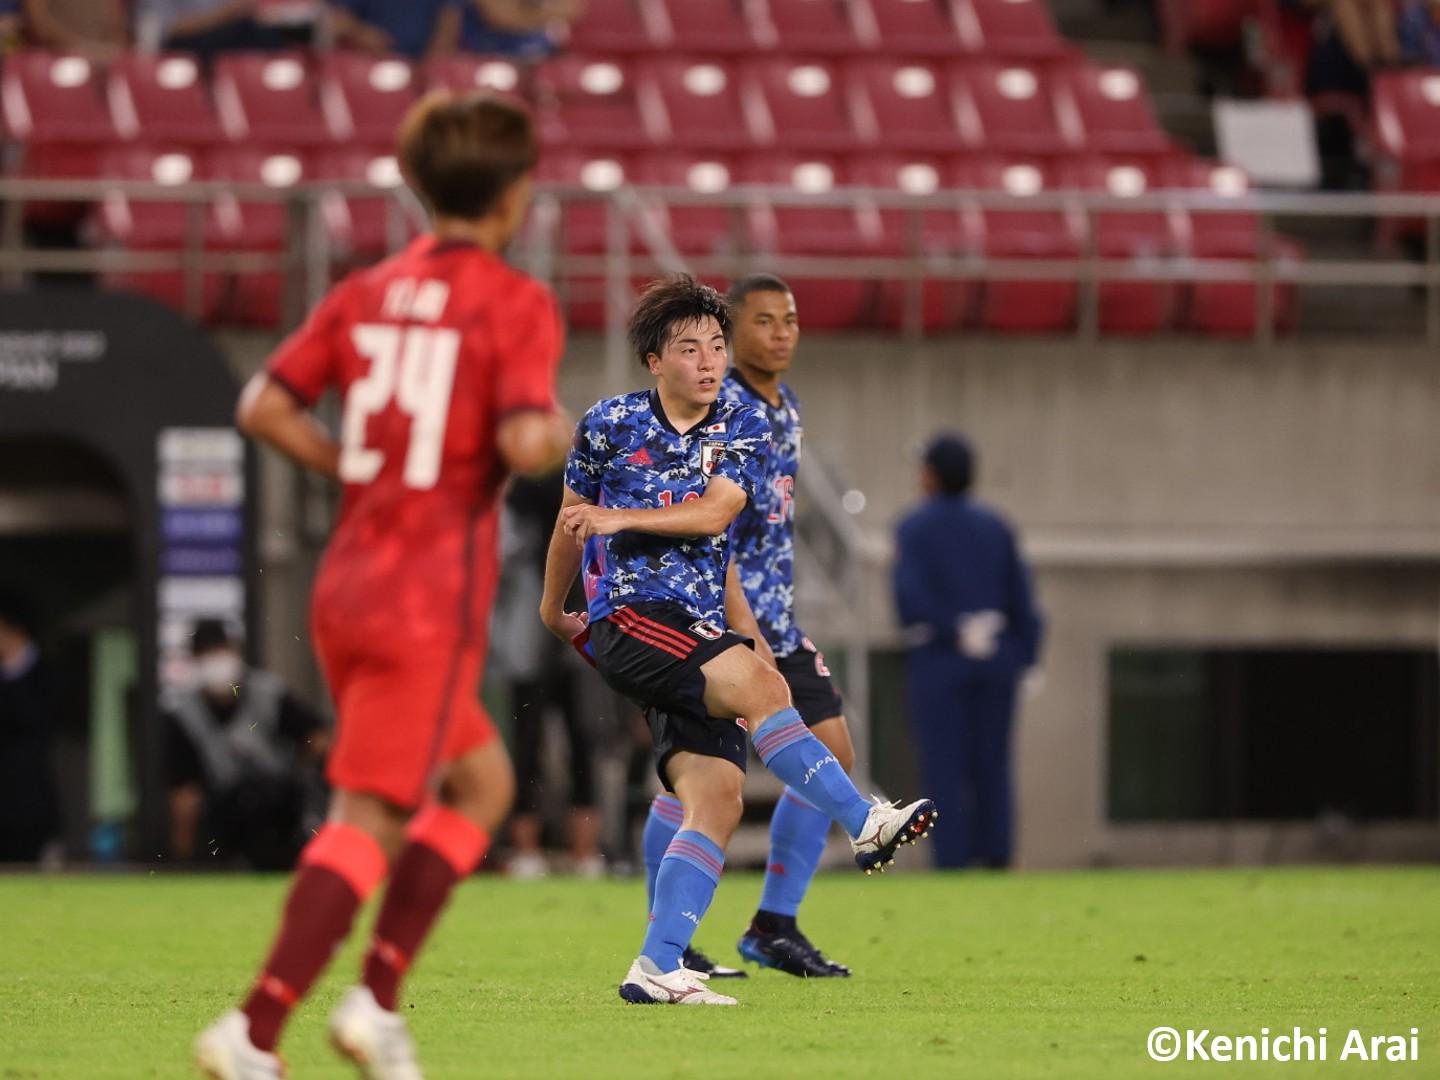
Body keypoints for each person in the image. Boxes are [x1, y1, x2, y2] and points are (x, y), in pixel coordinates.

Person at [194, 89, 572, 1080]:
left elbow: (262, 406)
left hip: (349, 584)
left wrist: (352, 468)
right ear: (515, 195)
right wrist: (554, 435)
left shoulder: (365, 290)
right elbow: (523, 440)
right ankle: (254, 1031)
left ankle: (375, 999)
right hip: (426, 596)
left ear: (420, 187)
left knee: (483, 783)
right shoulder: (514, 301)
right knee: (370, 818)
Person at [540, 274, 936, 1007]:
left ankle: (658, 964)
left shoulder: (743, 424)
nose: (708, 361)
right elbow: (571, 519)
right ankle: (864, 822)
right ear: (655, 360)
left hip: (700, 623)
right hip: (632, 614)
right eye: (689, 348)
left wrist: (622, 521)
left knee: (716, 798)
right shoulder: (608, 422)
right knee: (763, 688)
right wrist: (551, 607)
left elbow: (716, 517)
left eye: (716, 346)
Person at [636, 273, 856, 980]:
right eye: (764, 321)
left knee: (833, 749)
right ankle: (670, 938)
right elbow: (708, 522)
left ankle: (773, 925)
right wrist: (741, 621)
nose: (782, 332)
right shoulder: (718, 409)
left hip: (776, 617)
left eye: (789, 318)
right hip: (718, 618)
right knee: (697, 784)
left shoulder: (783, 404)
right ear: (732, 334)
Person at [893, 433, 1044, 871]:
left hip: (939, 657)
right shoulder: (996, 524)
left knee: (944, 763)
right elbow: (1023, 598)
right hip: (996, 655)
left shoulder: (913, 527)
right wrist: (1027, 656)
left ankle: (953, 859)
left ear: (933, 475)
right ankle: (997, 854)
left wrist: (953, 629)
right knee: (993, 760)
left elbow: (909, 598)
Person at [494, 475, 602, 879]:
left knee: (580, 737)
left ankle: (582, 851)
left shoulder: (580, 477)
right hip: (530, 635)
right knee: (531, 740)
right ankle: (532, 850)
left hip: (572, 625)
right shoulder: (521, 489)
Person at [164, 618, 329, 871]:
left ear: (235, 652)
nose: (216, 662)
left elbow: (316, 738)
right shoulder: (186, 713)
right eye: (208, 654)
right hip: (229, 813)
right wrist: (182, 859)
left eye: (220, 651)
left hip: (283, 807)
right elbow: (186, 794)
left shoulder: (268, 692)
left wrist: (305, 772)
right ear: (195, 661)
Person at [0, 588, 63, 864]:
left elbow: (37, 720)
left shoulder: (48, 674)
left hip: (31, 809)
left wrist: (12, 667)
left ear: (15, 629)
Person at [327, 0, 462, 61]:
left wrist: (424, 69)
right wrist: (361, 33)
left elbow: (449, 26)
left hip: (424, 69)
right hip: (369, 66)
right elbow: (336, 19)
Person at [459, 0, 581, 61]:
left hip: (544, 56)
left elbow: (572, 10)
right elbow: (502, 17)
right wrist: (546, 14)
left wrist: (522, 14)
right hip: (489, 57)